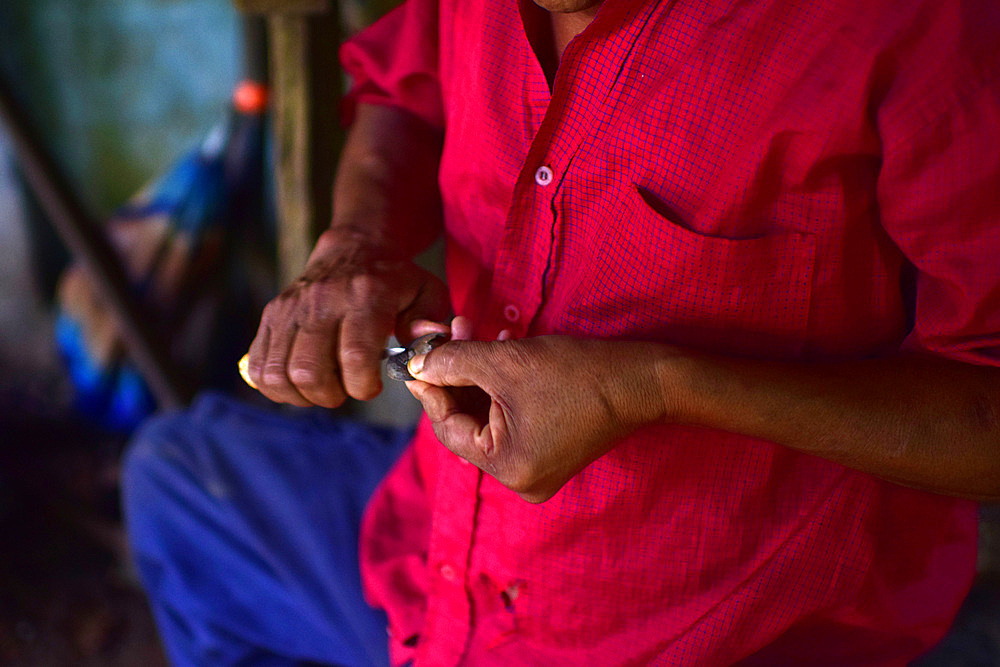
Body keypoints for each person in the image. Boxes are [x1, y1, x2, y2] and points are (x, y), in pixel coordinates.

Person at [123, 0, 1000, 664]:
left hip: (701, 629)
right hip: (430, 556)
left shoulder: (913, 27)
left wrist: (655, 385)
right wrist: (359, 240)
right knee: (182, 478)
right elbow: (403, 86)